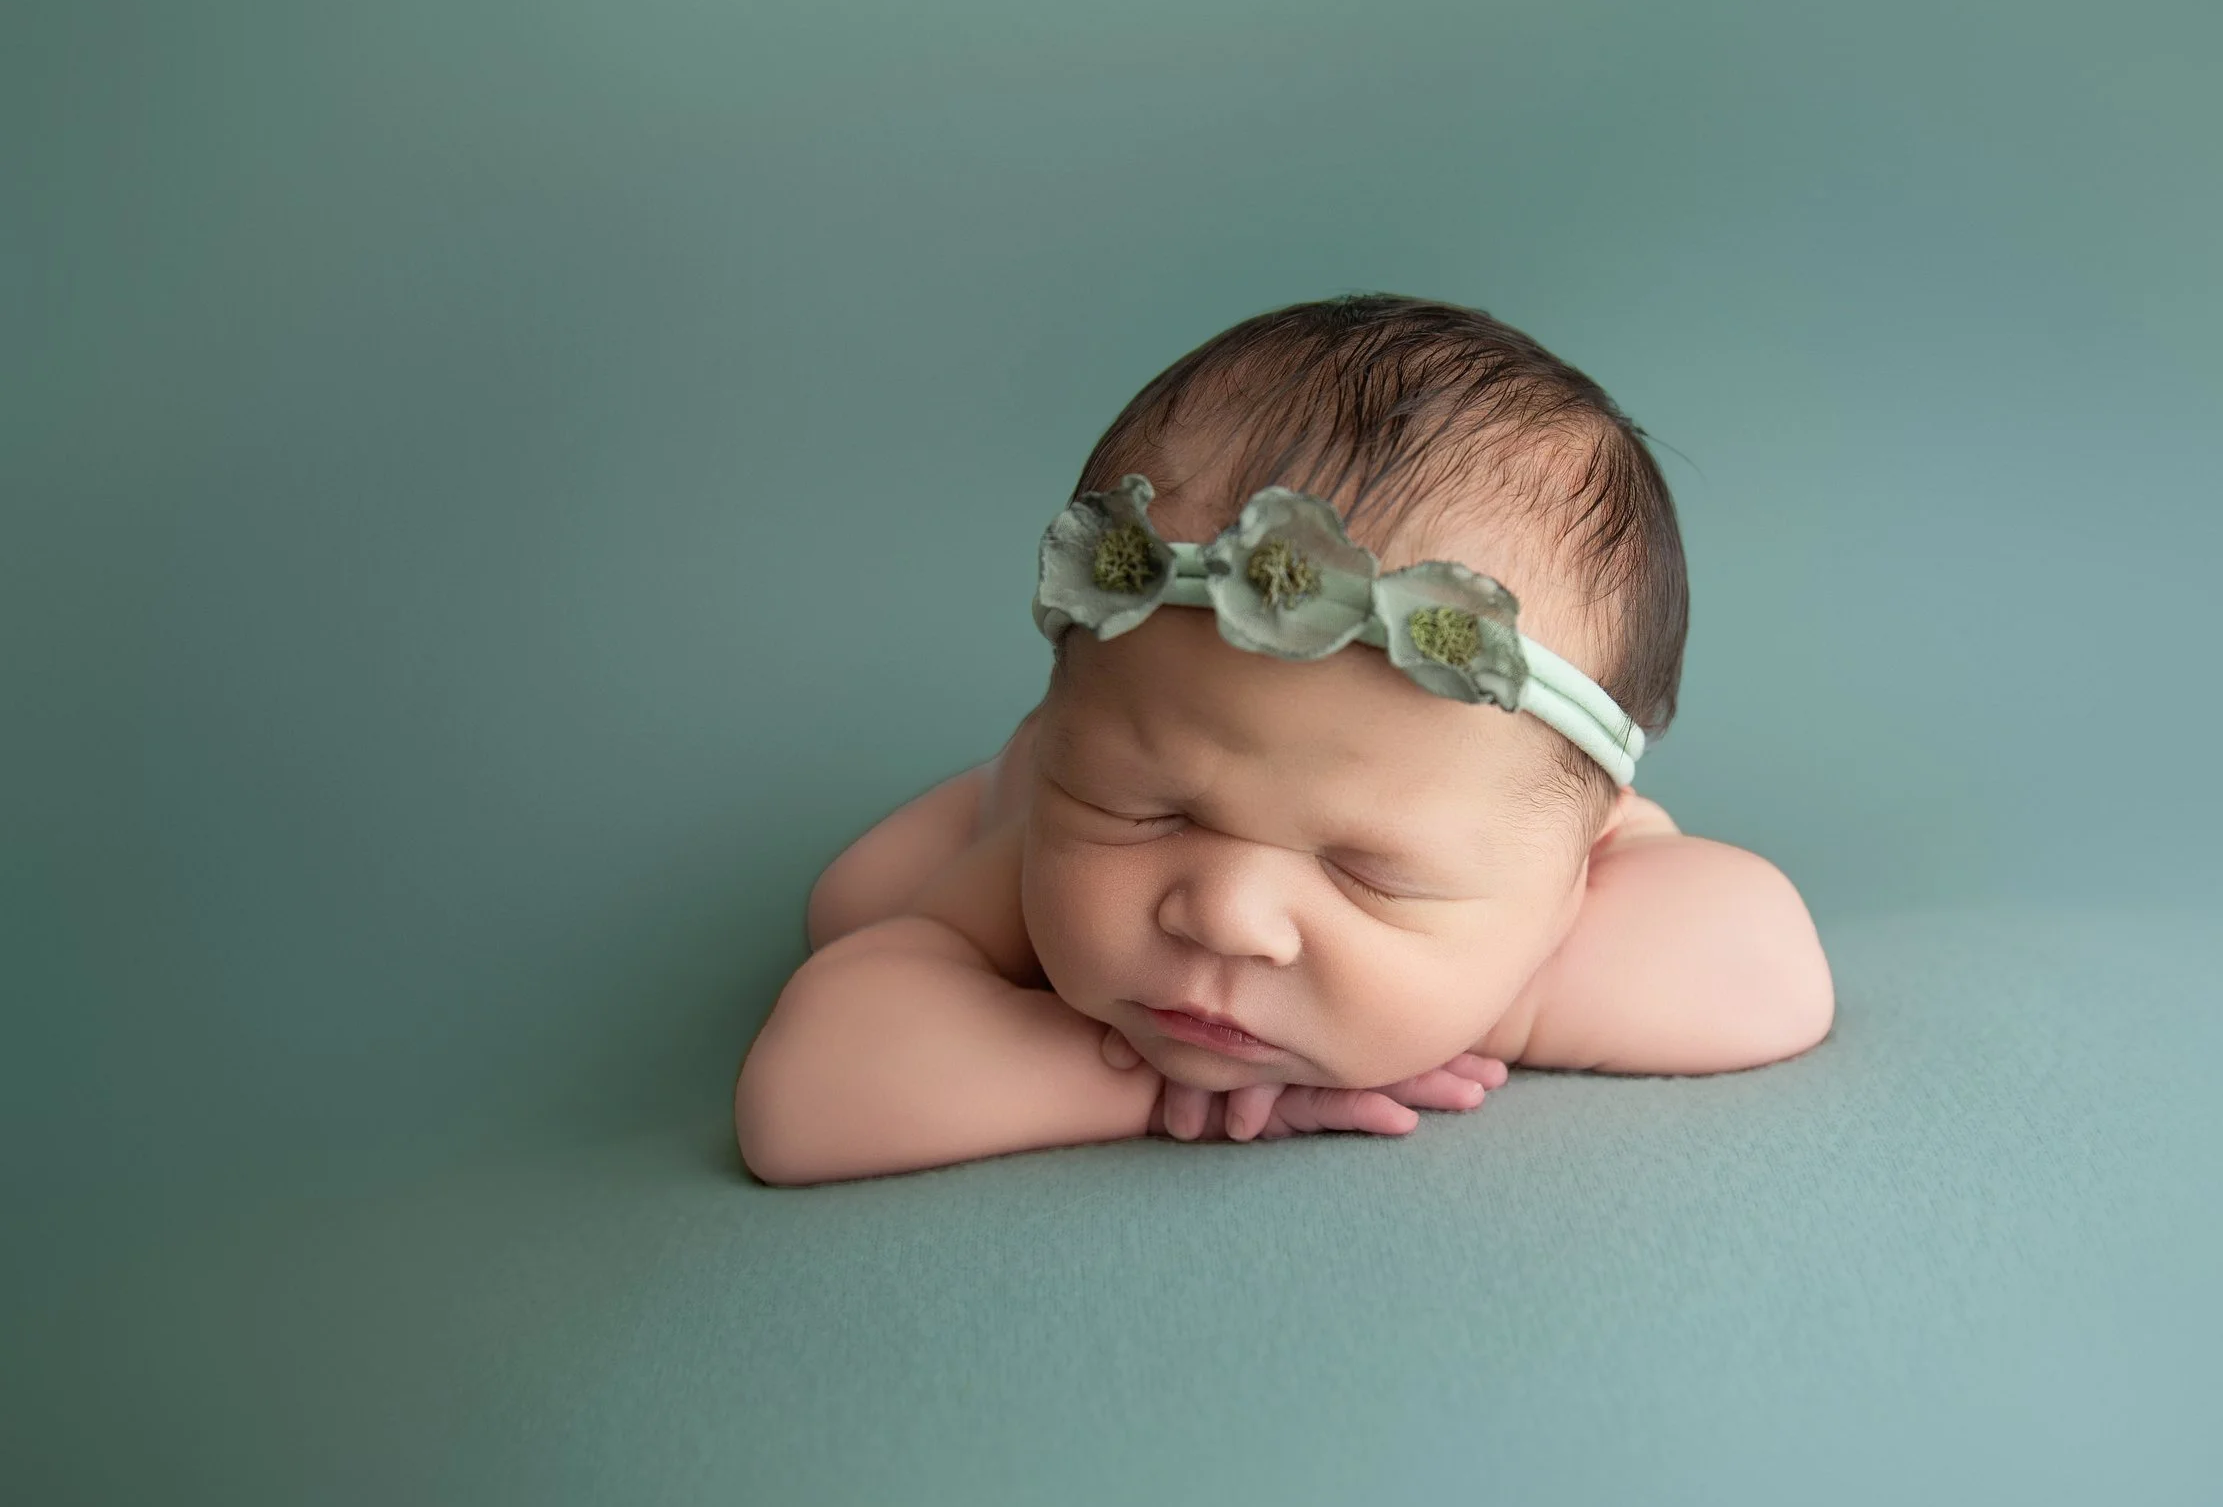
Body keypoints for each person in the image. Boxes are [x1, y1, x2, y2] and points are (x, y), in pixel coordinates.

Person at [737, 295, 1833, 1184]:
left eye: (1371, 874)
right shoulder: (1035, 844)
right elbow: (804, 1100)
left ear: (1580, 863)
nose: (1224, 913)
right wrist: (1172, 1097)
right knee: (854, 900)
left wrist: (1486, 990)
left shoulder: (1557, 863)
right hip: (1007, 802)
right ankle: (1025, 783)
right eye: (1139, 809)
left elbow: (1775, 975)